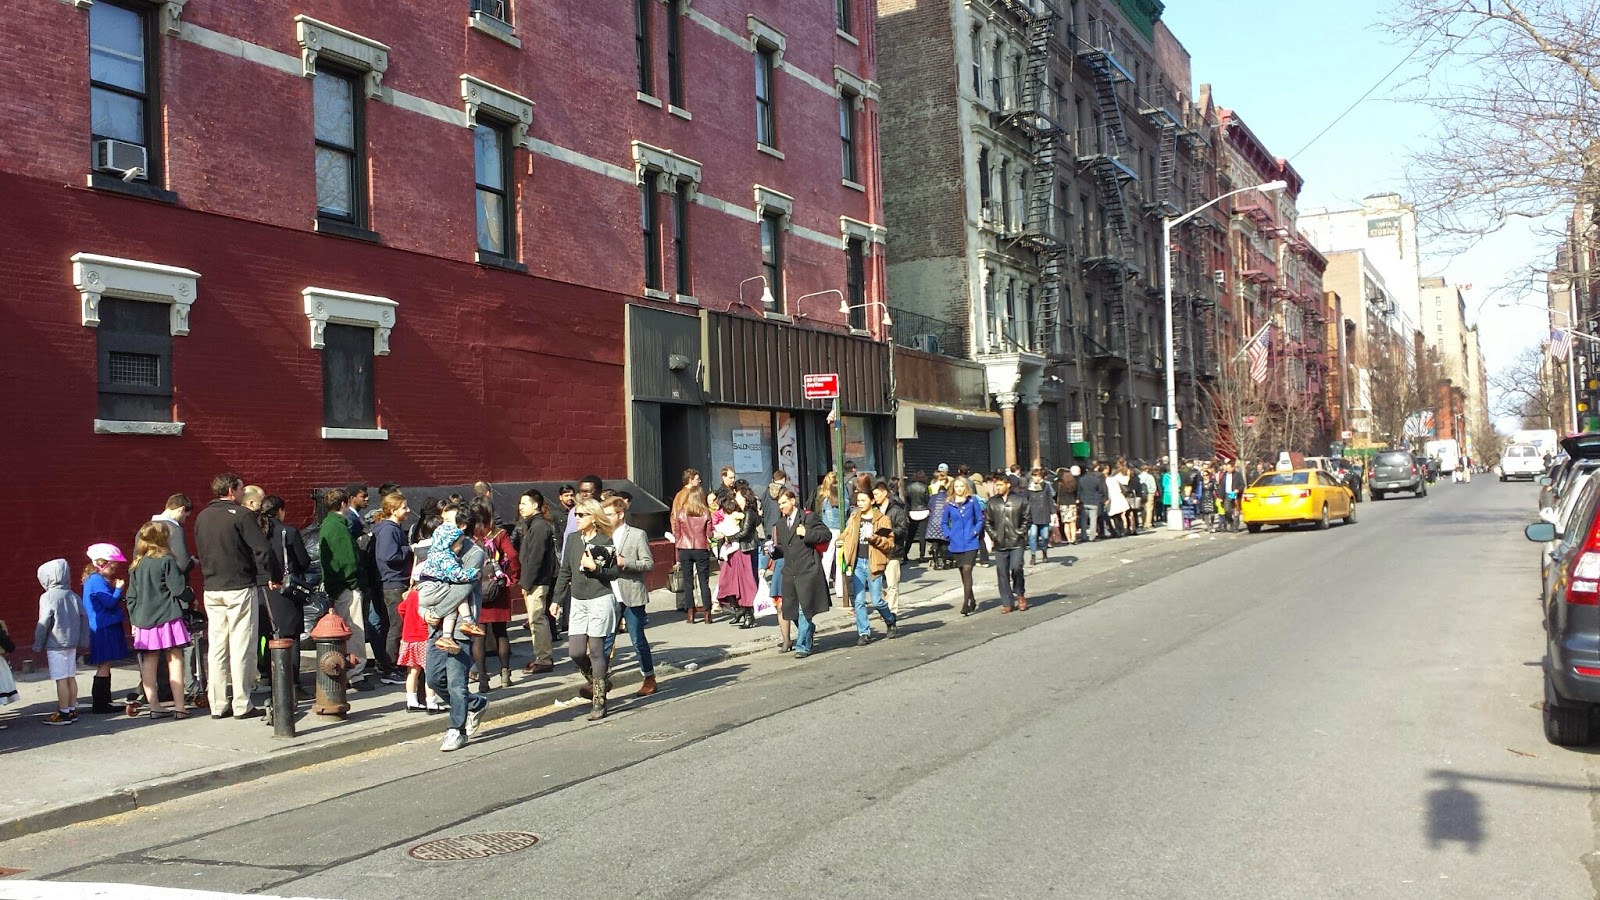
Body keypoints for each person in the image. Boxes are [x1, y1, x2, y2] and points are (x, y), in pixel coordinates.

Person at [193, 473, 275, 720]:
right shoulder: (242, 515)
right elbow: (262, 549)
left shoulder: (202, 517)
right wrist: (273, 574)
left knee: (217, 646)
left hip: (212, 587)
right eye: (240, 489)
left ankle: (217, 703)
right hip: (239, 585)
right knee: (241, 645)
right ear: (231, 490)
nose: (242, 493)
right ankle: (242, 702)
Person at [421, 528, 492, 752]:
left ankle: (456, 730)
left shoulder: (475, 554)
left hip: (462, 627)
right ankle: (475, 704)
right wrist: (424, 613)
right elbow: (423, 588)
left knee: (456, 683)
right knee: (433, 679)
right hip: (437, 628)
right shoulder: (436, 553)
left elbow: (462, 588)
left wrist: (438, 609)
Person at [553, 498, 622, 721]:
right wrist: (556, 600)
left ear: (594, 517)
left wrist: (596, 568)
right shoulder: (573, 540)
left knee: (595, 650)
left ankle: (599, 701)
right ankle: (598, 681)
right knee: (575, 651)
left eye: (582, 515)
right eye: (576, 515)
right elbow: (565, 571)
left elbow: (613, 574)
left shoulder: (605, 540)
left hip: (600, 598)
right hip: (578, 601)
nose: (577, 518)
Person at [125, 522, 193, 719]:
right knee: (175, 659)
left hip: (144, 618)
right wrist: (192, 597)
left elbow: (132, 596)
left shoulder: (136, 565)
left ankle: (155, 706)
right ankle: (180, 707)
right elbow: (178, 589)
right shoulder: (166, 561)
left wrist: (134, 618)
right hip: (168, 617)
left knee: (149, 661)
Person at [599, 495, 657, 697]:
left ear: (620, 514)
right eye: (603, 515)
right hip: (608, 594)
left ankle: (649, 677)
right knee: (605, 640)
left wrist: (626, 562)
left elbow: (648, 564)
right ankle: (599, 683)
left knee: (637, 639)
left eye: (609, 514)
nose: (605, 518)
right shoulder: (601, 536)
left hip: (631, 593)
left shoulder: (637, 535)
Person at [319, 488, 378, 685]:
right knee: (354, 630)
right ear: (344, 504)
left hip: (337, 585)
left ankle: (346, 669)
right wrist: (355, 583)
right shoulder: (339, 527)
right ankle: (356, 673)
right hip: (347, 586)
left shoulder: (328, 524)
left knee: (343, 630)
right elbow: (349, 560)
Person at [772, 488, 832, 658]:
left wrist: (808, 533)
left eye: (784, 502)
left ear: (793, 501)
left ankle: (802, 646)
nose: (781, 507)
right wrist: (773, 551)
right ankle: (809, 630)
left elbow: (826, 535)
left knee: (804, 609)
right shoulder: (781, 524)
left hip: (807, 570)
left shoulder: (808, 517)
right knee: (790, 610)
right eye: (779, 504)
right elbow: (785, 548)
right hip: (790, 572)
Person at [840, 487, 898, 645]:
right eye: (858, 500)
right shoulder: (854, 517)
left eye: (863, 500)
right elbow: (847, 533)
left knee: (877, 600)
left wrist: (875, 539)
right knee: (858, 600)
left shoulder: (882, 519)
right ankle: (864, 633)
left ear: (872, 501)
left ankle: (890, 619)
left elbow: (890, 544)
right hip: (857, 562)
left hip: (874, 563)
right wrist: (840, 540)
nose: (860, 503)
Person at [472, 500, 519, 691]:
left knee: (479, 636)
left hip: (476, 589)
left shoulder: (470, 537)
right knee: (501, 633)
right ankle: (505, 674)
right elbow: (513, 556)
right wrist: (512, 577)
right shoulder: (500, 534)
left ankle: (483, 678)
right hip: (497, 587)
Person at [34, 559, 88, 725]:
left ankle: (63, 713)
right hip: (72, 643)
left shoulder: (47, 597)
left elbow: (44, 622)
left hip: (55, 644)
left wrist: (38, 643)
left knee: (61, 679)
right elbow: (84, 618)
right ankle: (72, 709)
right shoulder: (74, 596)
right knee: (71, 676)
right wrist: (84, 640)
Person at [513, 490, 558, 675]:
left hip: (538, 582)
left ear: (535, 505)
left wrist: (526, 583)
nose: (520, 507)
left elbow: (536, 558)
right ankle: (542, 656)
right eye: (520, 503)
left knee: (537, 619)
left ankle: (544, 659)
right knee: (535, 620)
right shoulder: (532, 525)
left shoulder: (539, 527)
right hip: (533, 581)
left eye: (524, 503)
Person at [82, 543, 129, 714]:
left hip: (102, 625)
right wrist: (118, 590)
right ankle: (101, 703)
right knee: (104, 664)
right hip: (104, 626)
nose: (114, 570)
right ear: (101, 563)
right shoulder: (96, 581)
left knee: (106, 663)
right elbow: (108, 602)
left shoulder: (94, 580)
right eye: (113, 566)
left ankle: (104, 700)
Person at [371, 491, 413, 685]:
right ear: (393, 510)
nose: (408, 510)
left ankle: (392, 665)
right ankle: (391, 669)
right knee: (396, 626)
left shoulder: (389, 529)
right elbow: (389, 556)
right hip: (394, 583)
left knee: (394, 626)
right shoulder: (389, 530)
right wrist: (409, 549)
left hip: (393, 582)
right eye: (404, 507)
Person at [984, 471, 1031, 613]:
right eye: (996, 485)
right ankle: (1007, 601)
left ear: (1007, 485)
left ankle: (1020, 594)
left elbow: (1027, 518)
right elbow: (987, 522)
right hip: (1000, 543)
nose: (997, 487)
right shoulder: (992, 502)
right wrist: (994, 536)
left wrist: (1020, 533)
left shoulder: (1020, 500)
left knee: (1016, 568)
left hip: (1016, 541)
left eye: (1000, 485)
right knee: (1002, 572)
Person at [671, 480, 715, 623]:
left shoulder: (682, 513)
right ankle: (707, 614)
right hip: (701, 547)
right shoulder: (705, 513)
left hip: (685, 548)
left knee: (688, 582)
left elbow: (677, 534)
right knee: (703, 581)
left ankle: (690, 614)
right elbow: (709, 534)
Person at [712, 495, 758, 627]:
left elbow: (744, 532)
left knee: (744, 585)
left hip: (743, 551)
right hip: (733, 550)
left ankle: (748, 614)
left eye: (738, 496)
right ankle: (738, 609)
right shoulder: (736, 514)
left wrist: (728, 538)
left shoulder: (748, 514)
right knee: (726, 582)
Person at [941, 477, 984, 615]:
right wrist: (949, 534)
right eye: (957, 486)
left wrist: (975, 531)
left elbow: (980, 519)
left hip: (971, 542)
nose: (959, 489)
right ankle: (972, 599)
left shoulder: (972, 501)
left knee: (967, 570)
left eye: (961, 486)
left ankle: (965, 604)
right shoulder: (949, 504)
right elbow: (943, 522)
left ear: (965, 487)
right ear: (953, 488)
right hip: (956, 542)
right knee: (962, 573)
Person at [874, 481, 910, 616]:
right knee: (880, 584)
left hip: (893, 551)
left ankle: (892, 612)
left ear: (885, 493)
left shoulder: (897, 509)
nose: (875, 497)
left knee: (892, 583)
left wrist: (887, 531)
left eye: (877, 494)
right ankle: (885, 608)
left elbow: (902, 529)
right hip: (878, 551)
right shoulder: (874, 510)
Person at [1022, 469, 1055, 564]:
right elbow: (1025, 500)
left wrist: (1053, 512)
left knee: (1045, 536)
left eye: (1038, 476)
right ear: (1032, 476)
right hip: (1032, 515)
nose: (1036, 478)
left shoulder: (1046, 486)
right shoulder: (1028, 488)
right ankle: (1033, 555)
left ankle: (1044, 551)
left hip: (1044, 514)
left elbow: (1050, 500)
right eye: (1035, 476)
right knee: (1032, 535)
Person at [924, 469, 951, 569]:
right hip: (944, 522)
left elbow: (930, 507)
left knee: (935, 542)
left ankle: (936, 563)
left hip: (933, 522)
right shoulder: (948, 498)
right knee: (944, 542)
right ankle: (943, 562)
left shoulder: (933, 497)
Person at [903, 470, 930, 561]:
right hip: (924, 512)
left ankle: (905, 553)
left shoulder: (909, 487)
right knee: (922, 536)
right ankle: (922, 555)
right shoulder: (925, 487)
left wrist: (907, 513)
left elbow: (907, 502)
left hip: (912, 512)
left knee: (911, 534)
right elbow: (927, 500)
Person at [1077, 463, 1108, 542]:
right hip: (1094, 501)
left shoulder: (1081, 479)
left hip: (1084, 501)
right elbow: (1101, 490)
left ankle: (1083, 536)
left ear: (1087, 470)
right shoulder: (1097, 480)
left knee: (1083, 520)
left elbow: (1079, 491)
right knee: (1093, 520)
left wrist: (1079, 498)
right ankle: (1092, 537)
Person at [1218, 461, 1245, 532]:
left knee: (1236, 511)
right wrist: (1220, 497)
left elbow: (1242, 485)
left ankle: (1235, 527)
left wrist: (1238, 490)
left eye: (1229, 468)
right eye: (1227, 468)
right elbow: (1221, 486)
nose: (1228, 469)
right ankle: (1231, 522)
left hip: (1235, 495)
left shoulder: (1238, 475)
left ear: (1233, 468)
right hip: (1227, 495)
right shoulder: (1224, 475)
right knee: (1227, 510)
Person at [1105, 464, 1130, 539]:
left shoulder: (1107, 480)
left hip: (1113, 499)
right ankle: (1122, 531)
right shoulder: (1115, 479)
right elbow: (1125, 482)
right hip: (1119, 497)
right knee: (1119, 516)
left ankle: (1118, 532)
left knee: (1115, 516)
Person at [1057, 466, 1080, 545]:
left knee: (1066, 523)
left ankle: (1069, 539)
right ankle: (1074, 538)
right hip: (1071, 503)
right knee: (1073, 523)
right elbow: (1077, 493)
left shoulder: (1060, 484)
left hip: (1063, 504)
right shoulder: (1073, 484)